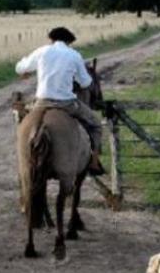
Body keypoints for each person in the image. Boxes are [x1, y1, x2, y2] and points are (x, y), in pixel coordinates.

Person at [15, 27, 105, 175]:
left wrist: (26, 70)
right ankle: (94, 161)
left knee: (23, 118)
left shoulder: (42, 51)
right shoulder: (74, 55)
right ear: (69, 42)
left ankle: (24, 156)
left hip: (41, 102)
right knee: (96, 125)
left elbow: (20, 68)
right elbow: (86, 83)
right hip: (66, 103)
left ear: (51, 39)